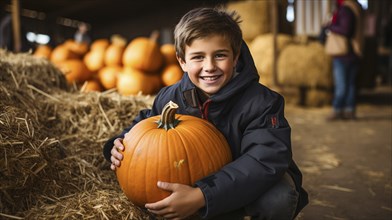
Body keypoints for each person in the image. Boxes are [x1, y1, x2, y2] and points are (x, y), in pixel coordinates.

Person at [103, 7, 308, 220]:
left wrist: (202, 195)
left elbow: (264, 160)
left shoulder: (263, 102)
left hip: (244, 185)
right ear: (182, 61)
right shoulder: (170, 97)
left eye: (220, 55)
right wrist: (118, 144)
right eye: (198, 57)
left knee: (277, 199)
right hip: (199, 186)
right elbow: (145, 123)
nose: (209, 67)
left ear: (236, 57)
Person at [326, 0, 363, 120]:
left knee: (341, 85)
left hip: (343, 54)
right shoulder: (357, 8)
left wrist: (330, 25)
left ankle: (337, 110)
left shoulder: (345, 10)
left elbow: (345, 30)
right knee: (350, 85)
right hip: (354, 53)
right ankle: (349, 110)